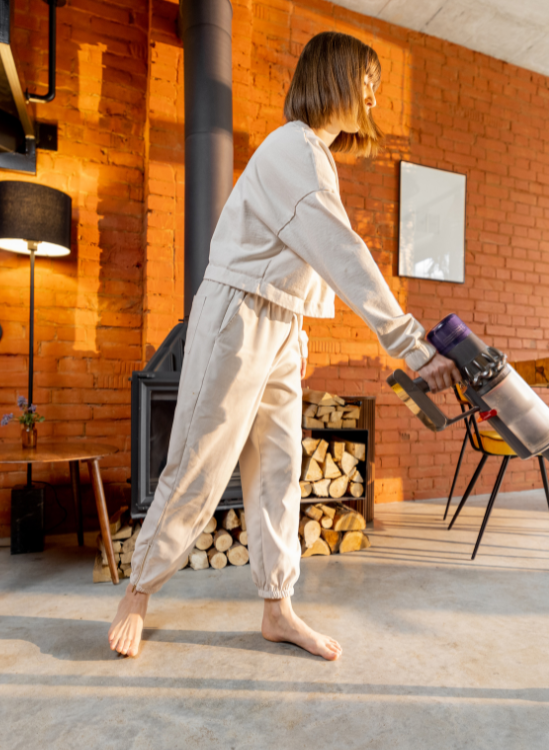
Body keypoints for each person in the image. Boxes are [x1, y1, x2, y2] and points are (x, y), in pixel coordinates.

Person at [108, 31, 461, 660]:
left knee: (279, 472)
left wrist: (306, 332)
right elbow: (343, 253)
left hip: (283, 324)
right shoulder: (290, 148)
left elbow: (321, 261)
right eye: (368, 79)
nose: (374, 94)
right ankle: (138, 589)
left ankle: (278, 606)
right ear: (335, 76)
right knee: (199, 459)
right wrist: (410, 345)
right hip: (237, 316)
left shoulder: (315, 157)